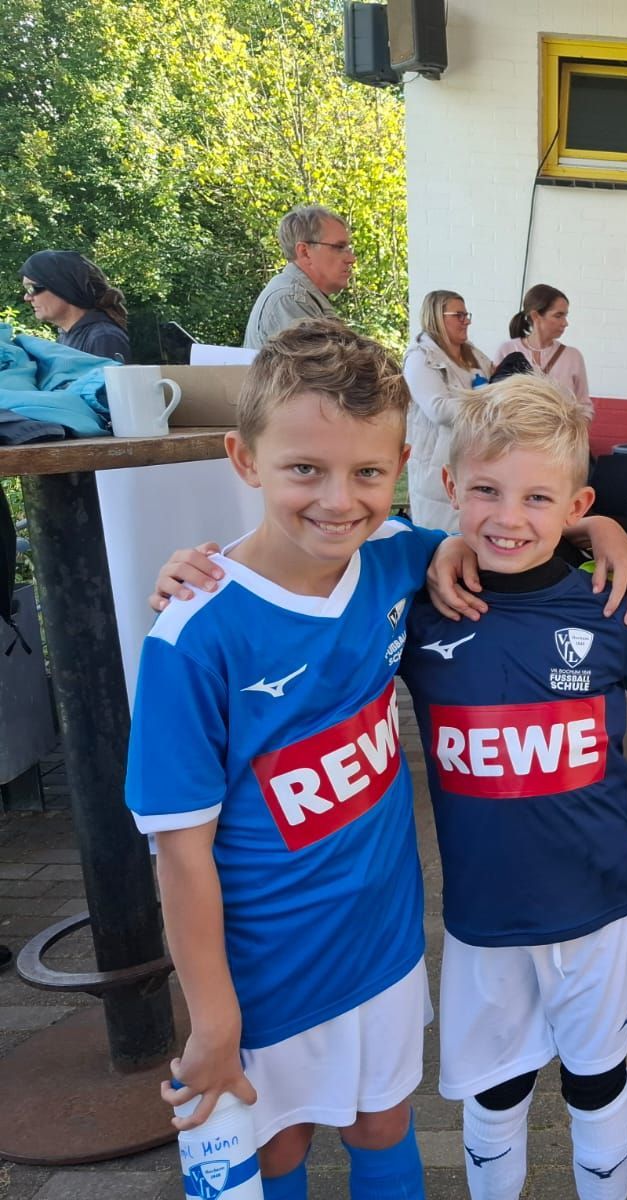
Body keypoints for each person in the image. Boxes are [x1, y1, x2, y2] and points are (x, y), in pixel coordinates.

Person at [125, 319, 441, 1199]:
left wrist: (603, 532)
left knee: (384, 1122)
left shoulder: (395, 556)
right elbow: (179, 853)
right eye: (305, 468)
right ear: (245, 458)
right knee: (278, 1146)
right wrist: (212, 1017)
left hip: (384, 939)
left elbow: (478, 543)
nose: (339, 500)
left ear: (400, 464)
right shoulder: (194, 636)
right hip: (268, 969)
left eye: (367, 472)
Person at [400, 375, 627, 1200]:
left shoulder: (613, 601)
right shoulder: (420, 607)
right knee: (495, 1090)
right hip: (484, 918)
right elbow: (324, 565)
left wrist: (605, 532)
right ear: (450, 485)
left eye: (538, 498)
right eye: (486, 491)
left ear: (576, 504)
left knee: (598, 1080)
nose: (508, 517)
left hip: (598, 907)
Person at [402, 290, 493, 532]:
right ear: (436, 317)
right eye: (459, 315)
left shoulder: (472, 354)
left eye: (467, 315)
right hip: (437, 465)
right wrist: (489, 406)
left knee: (472, 531)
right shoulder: (420, 358)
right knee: (440, 536)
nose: (467, 321)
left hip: (474, 456)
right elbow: (439, 409)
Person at [244, 205, 355, 349]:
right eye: (339, 247)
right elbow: (321, 363)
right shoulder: (289, 300)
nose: (351, 259)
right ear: (304, 252)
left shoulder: (302, 298)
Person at [491, 284, 591, 413]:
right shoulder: (507, 350)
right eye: (558, 316)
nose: (565, 323)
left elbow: (584, 405)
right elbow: (493, 399)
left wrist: (579, 423)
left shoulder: (573, 356)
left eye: (565, 316)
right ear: (535, 316)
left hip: (561, 427)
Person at [20, 250, 131, 361]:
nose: (27, 297)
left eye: (31, 288)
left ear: (63, 288)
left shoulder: (103, 338)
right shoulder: (67, 337)